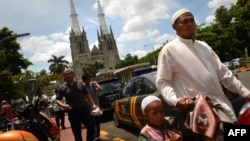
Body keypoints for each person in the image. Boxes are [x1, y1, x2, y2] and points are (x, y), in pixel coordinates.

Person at [155, 8, 250, 141]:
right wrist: (176, 101)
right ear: (174, 27)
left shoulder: (204, 46)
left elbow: (224, 73)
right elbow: (163, 81)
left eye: (192, 20)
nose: (190, 24)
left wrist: (246, 93)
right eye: (185, 21)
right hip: (202, 116)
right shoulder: (169, 50)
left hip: (222, 107)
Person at [56, 69, 98, 141]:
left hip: (84, 109)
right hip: (73, 112)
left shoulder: (80, 84)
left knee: (91, 126)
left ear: (73, 74)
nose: (68, 75)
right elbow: (57, 100)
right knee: (77, 133)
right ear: (64, 76)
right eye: (66, 74)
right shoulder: (62, 87)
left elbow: (87, 94)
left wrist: (93, 104)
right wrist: (64, 105)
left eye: (70, 73)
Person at [82, 73, 102, 141]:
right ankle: (95, 137)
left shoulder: (92, 86)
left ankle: (97, 136)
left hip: (97, 108)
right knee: (93, 124)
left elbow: (100, 89)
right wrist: (91, 105)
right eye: (86, 80)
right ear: (84, 80)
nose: (88, 81)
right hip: (89, 109)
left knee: (98, 123)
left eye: (89, 79)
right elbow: (85, 98)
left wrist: (96, 84)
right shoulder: (83, 88)